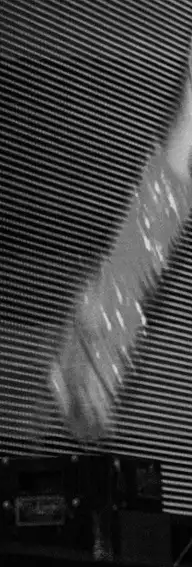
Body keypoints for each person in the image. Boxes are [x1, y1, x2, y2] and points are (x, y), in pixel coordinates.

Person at [49, 40, 192, 443]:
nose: (110, 393)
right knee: (185, 133)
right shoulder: (109, 349)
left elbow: (86, 313)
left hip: (147, 232)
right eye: (108, 399)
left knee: (186, 126)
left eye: (101, 399)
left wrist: (72, 381)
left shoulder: (91, 334)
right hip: (153, 242)